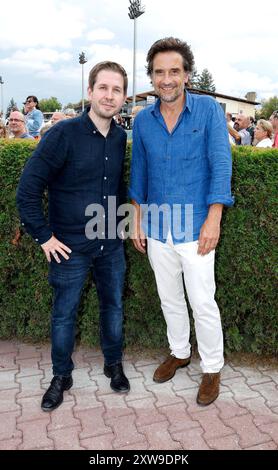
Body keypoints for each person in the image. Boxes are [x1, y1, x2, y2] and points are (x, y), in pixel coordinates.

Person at [17, 61, 130, 412]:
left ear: (123, 97)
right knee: (64, 314)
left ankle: (113, 364)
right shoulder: (62, 135)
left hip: (110, 242)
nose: (109, 96)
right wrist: (44, 237)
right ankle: (60, 376)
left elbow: (117, 186)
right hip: (68, 248)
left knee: (113, 307)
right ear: (90, 91)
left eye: (116, 90)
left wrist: (124, 226)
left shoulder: (120, 135)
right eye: (103, 88)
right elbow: (27, 190)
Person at [129, 37, 234, 407]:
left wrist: (214, 217)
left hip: (196, 227)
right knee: (169, 298)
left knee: (203, 301)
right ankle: (179, 351)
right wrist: (136, 218)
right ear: (152, 78)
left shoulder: (207, 110)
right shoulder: (143, 120)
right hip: (157, 227)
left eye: (174, 71)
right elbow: (139, 171)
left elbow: (221, 164)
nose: (167, 79)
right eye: (160, 72)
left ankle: (212, 367)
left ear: (186, 74)